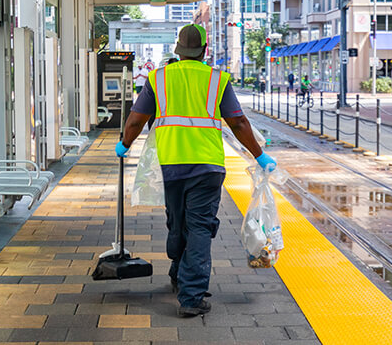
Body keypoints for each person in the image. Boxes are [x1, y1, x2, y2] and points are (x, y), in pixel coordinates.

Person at [116, 24, 276, 318]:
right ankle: (190, 294)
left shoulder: (159, 78)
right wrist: (260, 155)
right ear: (204, 50)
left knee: (178, 222)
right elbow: (238, 123)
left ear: (178, 49)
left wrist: (125, 144)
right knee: (199, 227)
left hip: (171, 163)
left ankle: (182, 279)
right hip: (208, 165)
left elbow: (136, 119)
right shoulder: (217, 80)